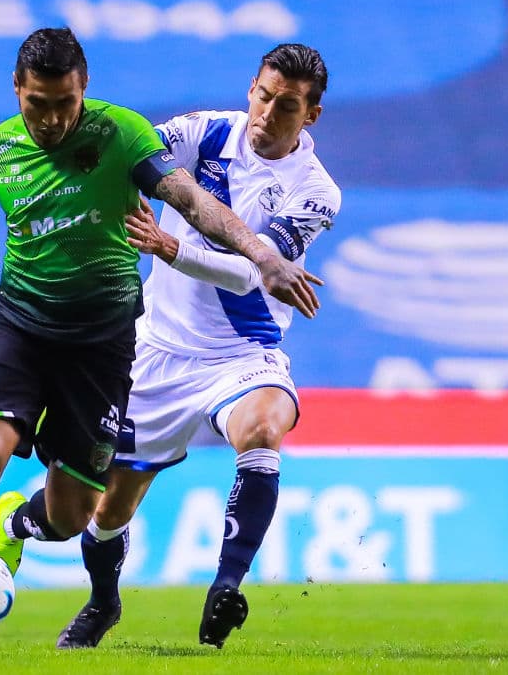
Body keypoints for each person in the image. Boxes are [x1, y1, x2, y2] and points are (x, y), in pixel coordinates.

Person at [0, 28, 322, 657]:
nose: (53, 120)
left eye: (66, 104)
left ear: (84, 90)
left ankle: (40, 531)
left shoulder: (136, 139)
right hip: (32, 328)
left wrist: (260, 256)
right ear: (17, 92)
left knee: (79, 514)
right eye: (38, 104)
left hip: (129, 343)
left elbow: (187, 199)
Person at [54, 43, 339, 650]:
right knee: (108, 512)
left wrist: (169, 246)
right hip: (156, 353)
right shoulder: (202, 133)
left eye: (286, 106)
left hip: (242, 354)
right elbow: (127, 153)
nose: (267, 113)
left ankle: (225, 586)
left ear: (310, 115)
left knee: (263, 430)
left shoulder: (316, 193)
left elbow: (251, 273)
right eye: (262, 95)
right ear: (250, 89)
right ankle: (103, 602)